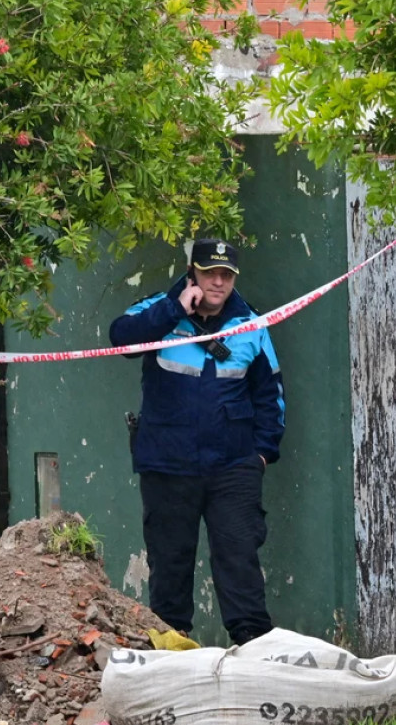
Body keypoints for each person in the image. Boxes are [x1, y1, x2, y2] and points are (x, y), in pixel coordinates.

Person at [109, 239, 284, 647]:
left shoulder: (250, 324)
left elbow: (270, 393)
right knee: (170, 562)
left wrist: (261, 454)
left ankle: (253, 647)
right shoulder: (159, 309)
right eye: (210, 273)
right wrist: (174, 310)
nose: (218, 282)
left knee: (239, 558)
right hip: (167, 464)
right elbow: (121, 339)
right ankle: (173, 649)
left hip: (233, 465)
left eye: (226, 275)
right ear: (193, 274)